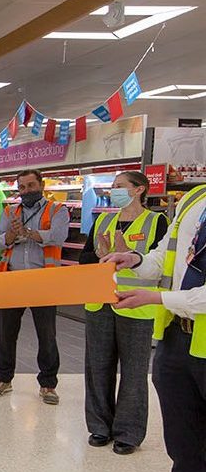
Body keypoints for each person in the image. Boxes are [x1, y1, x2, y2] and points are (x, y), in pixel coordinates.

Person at [104, 183, 206, 472]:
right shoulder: (194, 198)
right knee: (185, 450)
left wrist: (159, 298)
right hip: (177, 341)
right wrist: (135, 260)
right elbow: (164, 256)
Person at [81, 171, 167, 455]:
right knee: (97, 367)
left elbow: (161, 264)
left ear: (139, 189)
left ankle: (128, 433)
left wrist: (130, 254)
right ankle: (99, 426)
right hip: (99, 303)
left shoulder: (156, 222)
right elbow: (84, 258)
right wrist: (100, 254)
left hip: (137, 305)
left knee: (133, 372)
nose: (113, 190)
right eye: (113, 186)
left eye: (119, 186)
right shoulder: (103, 220)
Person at [0, 169, 69, 405]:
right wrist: (11, 234)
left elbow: (58, 236)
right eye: (22, 187)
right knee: (6, 333)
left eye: (31, 185)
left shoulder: (57, 210)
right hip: (12, 279)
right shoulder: (10, 211)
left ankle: (48, 384)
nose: (26, 191)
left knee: (47, 335)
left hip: (43, 280)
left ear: (41, 185)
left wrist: (29, 233)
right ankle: (3, 379)